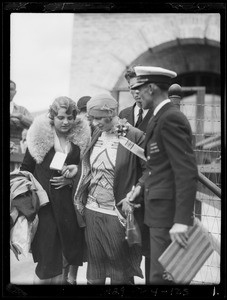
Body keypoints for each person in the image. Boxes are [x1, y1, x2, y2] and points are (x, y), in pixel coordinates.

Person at [122, 66, 198, 284]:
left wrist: (182, 221)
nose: (136, 93)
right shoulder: (159, 117)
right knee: (158, 276)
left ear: (151, 88)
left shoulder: (170, 118)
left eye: (139, 88)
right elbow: (158, 166)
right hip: (157, 212)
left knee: (161, 277)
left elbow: (186, 171)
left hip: (167, 217)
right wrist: (140, 188)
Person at [72, 93, 144, 285]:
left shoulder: (133, 135)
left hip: (117, 214)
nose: (94, 123)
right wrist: (77, 169)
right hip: (92, 210)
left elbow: (151, 170)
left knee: (119, 271)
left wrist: (134, 193)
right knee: (94, 271)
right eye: (92, 118)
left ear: (111, 113)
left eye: (98, 118)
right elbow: (91, 166)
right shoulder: (96, 134)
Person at [20, 96, 91, 284]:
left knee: (64, 259)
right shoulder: (39, 139)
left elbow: (86, 171)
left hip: (69, 207)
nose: (66, 122)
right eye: (61, 117)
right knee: (47, 259)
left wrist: (73, 179)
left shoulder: (80, 141)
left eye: (70, 117)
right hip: (46, 208)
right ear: (52, 117)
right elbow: (25, 171)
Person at [119, 67, 153, 132]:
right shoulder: (123, 114)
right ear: (129, 89)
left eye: (140, 86)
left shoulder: (158, 113)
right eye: (133, 87)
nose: (137, 91)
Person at [10, 80, 33, 170]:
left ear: (15, 92)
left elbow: (33, 124)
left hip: (16, 146)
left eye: (11, 89)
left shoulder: (21, 110)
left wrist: (20, 117)